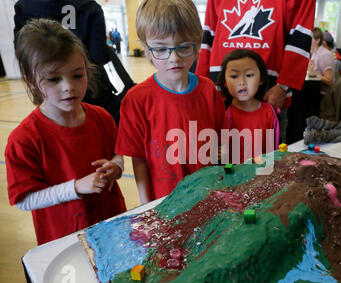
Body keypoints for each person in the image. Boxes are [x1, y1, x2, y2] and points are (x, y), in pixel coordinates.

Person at [6, 19, 127, 246]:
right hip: (64, 239)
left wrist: (116, 167)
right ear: (31, 80)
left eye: (77, 75)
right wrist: (74, 188)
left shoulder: (101, 117)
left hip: (112, 226)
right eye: (54, 79)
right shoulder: (24, 139)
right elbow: (24, 199)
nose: (68, 86)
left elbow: (117, 154)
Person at [116, 0, 226, 204]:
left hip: (207, 195)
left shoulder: (208, 90)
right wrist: (145, 203)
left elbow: (220, 142)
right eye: (160, 49)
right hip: (164, 201)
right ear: (146, 49)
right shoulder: (136, 100)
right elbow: (138, 159)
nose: (173, 58)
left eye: (183, 47)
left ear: (197, 43)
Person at [195, 0, 316, 143]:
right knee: (223, 153)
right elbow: (208, 36)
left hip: (268, 93)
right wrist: (200, 84)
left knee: (266, 156)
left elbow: (300, 36)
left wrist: (283, 86)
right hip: (221, 91)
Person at [13, 0, 135, 125]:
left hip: (49, 88)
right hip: (90, 85)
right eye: (54, 79)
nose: (68, 87)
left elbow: (21, 50)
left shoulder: (26, 5)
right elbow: (99, 54)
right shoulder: (89, 6)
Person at [216, 49, 279, 163]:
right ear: (224, 82)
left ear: (261, 79)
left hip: (261, 175)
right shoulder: (221, 111)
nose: (242, 82)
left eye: (249, 75)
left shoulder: (269, 112)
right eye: (234, 76)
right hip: (231, 177)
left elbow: (273, 151)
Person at [308, 27, 335, 98]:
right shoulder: (315, 53)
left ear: (317, 40)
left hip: (321, 94)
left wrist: (314, 74)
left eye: (310, 38)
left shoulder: (325, 54)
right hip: (314, 89)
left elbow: (329, 80)